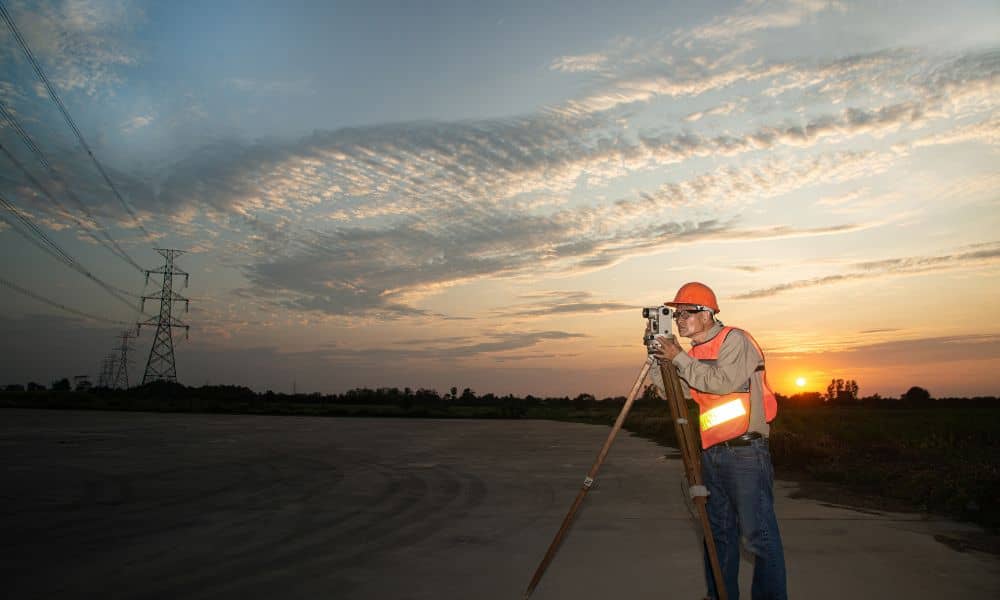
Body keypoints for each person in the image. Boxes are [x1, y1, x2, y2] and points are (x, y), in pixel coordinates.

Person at [652, 282, 787, 600]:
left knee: (759, 538)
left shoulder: (734, 340)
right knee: (717, 537)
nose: (679, 319)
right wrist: (661, 362)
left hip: (745, 453)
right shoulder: (696, 354)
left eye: (686, 312)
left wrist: (680, 359)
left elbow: (724, 383)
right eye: (676, 314)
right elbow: (678, 392)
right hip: (713, 454)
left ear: (708, 314)